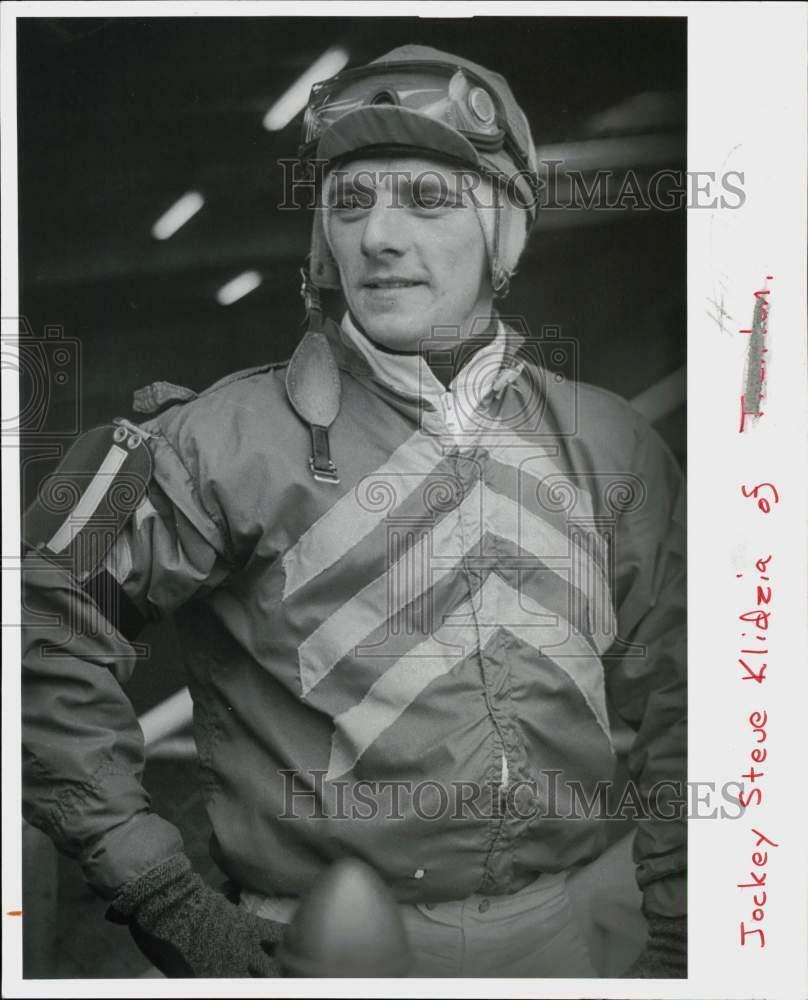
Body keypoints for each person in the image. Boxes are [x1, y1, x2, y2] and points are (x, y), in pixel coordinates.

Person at [21, 45, 686, 979]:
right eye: (349, 202)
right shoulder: (216, 441)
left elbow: (694, 704)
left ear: (505, 233)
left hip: (566, 939)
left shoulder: (612, 447)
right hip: (317, 951)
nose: (377, 235)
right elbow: (36, 620)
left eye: (426, 200)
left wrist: (686, 939)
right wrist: (160, 890)